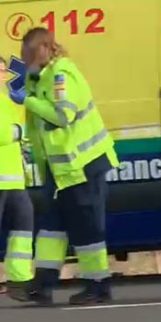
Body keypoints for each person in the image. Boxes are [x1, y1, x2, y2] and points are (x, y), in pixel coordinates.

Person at [6, 27, 119, 305]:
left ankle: (98, 286)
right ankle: (42, 285)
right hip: (61, 170)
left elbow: (63, 116)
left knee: (87, 229)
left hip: (84, 165)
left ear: (45, 49)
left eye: (29, 54)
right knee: (51, 228)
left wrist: (28, 99)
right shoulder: (40, 77)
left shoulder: (62, 75)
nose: (26, 59)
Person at [0, 56, 35, 294]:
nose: (3, 74)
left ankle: (20, 277)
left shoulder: (4, 101)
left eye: (3, 70)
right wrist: (20, 131)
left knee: (23, 224)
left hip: (12, 178)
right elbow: (4, 134)